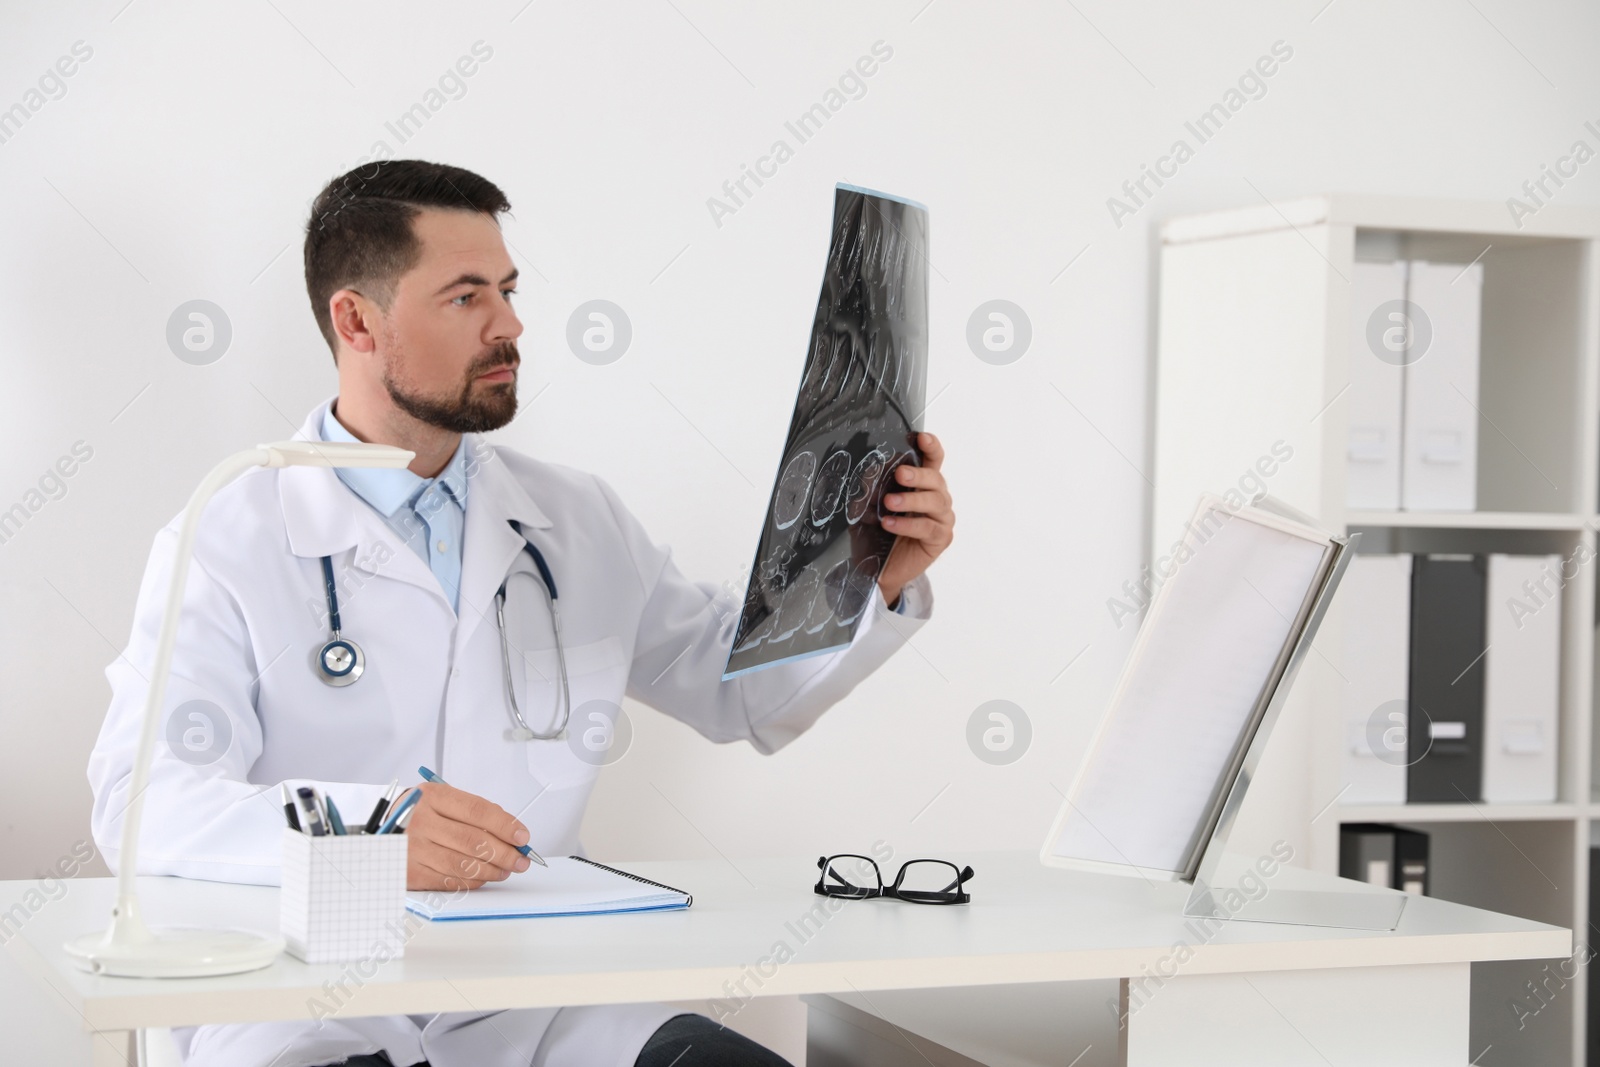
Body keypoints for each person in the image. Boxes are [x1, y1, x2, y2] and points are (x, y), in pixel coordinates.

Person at [86, 160, 955, 1067]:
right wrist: (369, 833)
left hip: (538, 1007)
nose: (510, 324)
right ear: (356, 321)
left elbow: (735, 693)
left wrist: (872, 578)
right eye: (466, 297)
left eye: (506, 288)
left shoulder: (575, 519)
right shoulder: (230, 531)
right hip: (311, 1001)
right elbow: (140, 803)